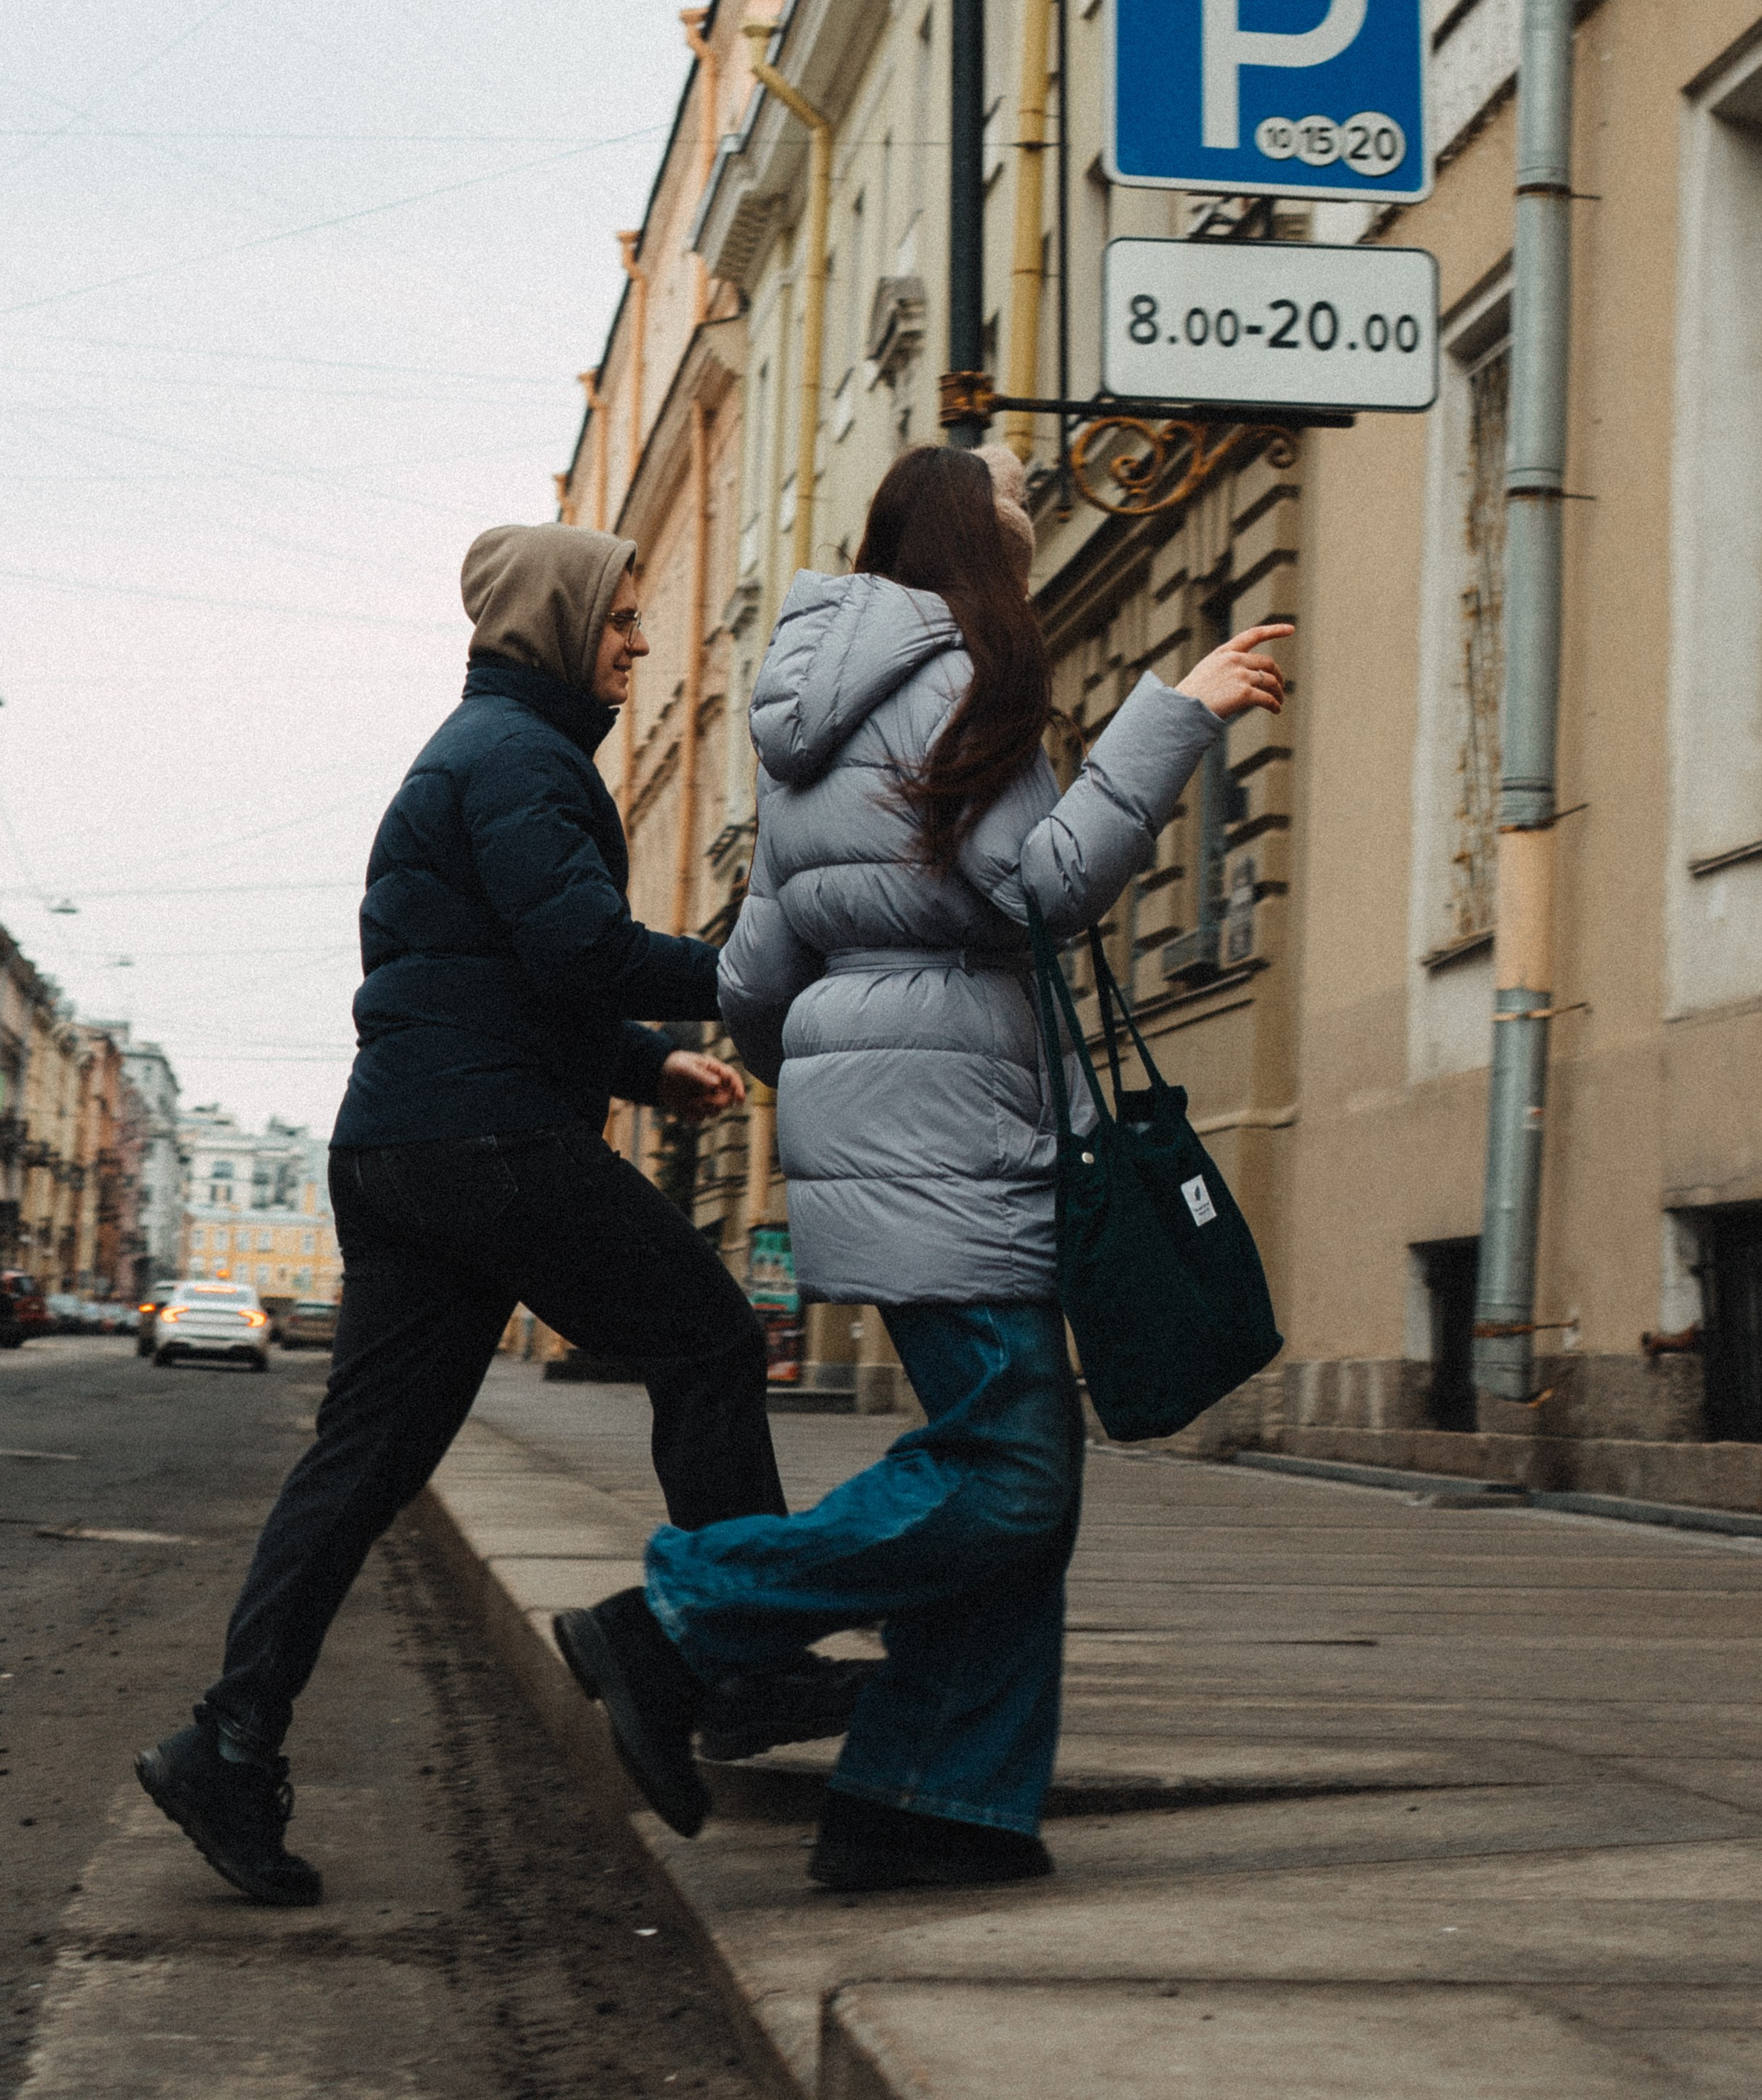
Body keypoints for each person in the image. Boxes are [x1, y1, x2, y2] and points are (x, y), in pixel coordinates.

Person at [551, 448, 1288, 1891]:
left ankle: (927, 1799)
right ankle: (680, 1617)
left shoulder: (807, 725)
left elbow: (757, 978)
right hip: (954, 1115)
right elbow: (1040, 889)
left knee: (1013, 1473)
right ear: (968, 544)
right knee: (1010, 1471)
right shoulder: (966, 678)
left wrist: (832, 1089)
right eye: (1016, 518)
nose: (1030, 536)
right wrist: (1178, 714)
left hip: (877, 1124)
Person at [138, 520, 862, 1907]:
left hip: (404, 1141)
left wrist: (643, 1062)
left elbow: (494, 972)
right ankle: (743, 1662)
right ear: (556, 624)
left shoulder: (474, 754)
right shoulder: (523, 758)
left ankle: (229, 1743)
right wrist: (755, 973)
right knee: (709, 1342)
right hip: (486, 1140)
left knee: (363, 1460)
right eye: (623, 620)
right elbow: (579, 948)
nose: (642, 645)